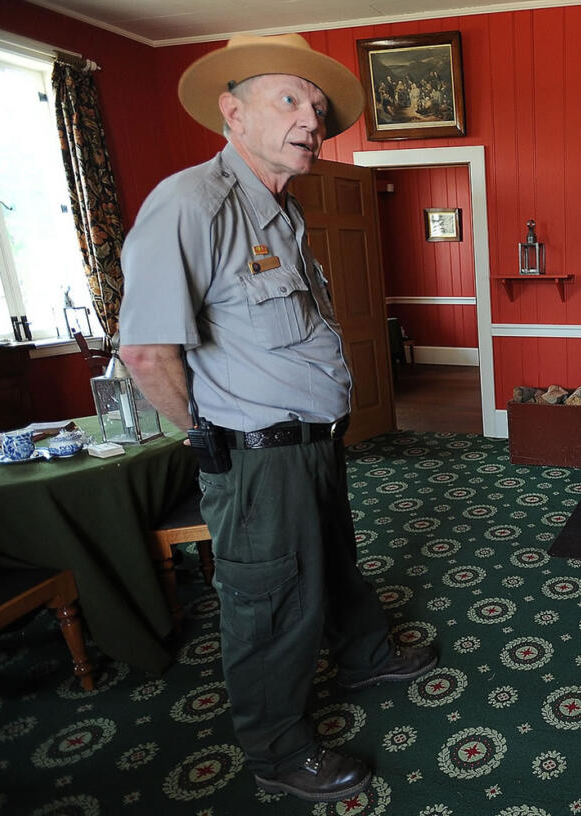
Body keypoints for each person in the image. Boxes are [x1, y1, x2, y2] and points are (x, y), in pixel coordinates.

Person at [118, 34, 439, 802]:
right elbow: (146, 354)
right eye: (289, 100)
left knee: (333, 561)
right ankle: (276, 747)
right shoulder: (193, 202)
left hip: (310, 446)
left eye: (319, 109)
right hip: (256, 455)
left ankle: (363, 654)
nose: (311, 121)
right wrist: (208, 436)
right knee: (271, 605)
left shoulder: (280, 212)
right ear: (233, 113)